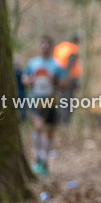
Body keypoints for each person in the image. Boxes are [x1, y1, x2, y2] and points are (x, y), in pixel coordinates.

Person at [23, 36, 67, 175]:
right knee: (38, 127)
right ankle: (38, 157)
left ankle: (45, 161)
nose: (45, 49)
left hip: (51, 101)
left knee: (49, 131)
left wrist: (55, 81)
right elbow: (25, 79)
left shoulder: (57, 65)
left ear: (50, 48)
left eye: (47, 46)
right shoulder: (33, 63)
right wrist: (31, 81)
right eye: (43, 46)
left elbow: (64, 84)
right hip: (35, 99)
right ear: (40, 47)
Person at [53, 36, 82, 124]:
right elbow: (70, 63)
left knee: (61, 99)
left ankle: (59, 119)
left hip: (58, 77)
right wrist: (68, 78)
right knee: (67, 99)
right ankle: (65, 121)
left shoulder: (61, 47)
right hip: (69, 78)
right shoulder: (73, 49)